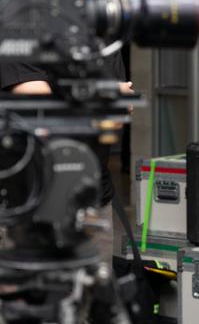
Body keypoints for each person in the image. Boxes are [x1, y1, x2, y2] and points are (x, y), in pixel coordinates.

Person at [0, 56, 133, 262]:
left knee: (94, 290)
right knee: (36, 289)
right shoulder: (22, 32)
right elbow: (39, 109)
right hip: (32, 206)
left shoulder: (104, 41)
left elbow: (114, 118)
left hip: (93, 201)